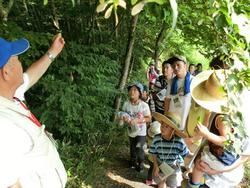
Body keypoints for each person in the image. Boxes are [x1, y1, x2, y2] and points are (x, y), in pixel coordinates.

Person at [0, 34, 67, 188]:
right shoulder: (2, 124)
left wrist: (53, 51)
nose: (21, 64)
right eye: (17, 60)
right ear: (6, 72)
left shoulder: (10, 95)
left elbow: (31, 76)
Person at [188, 70, 250, 188]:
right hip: (223, 159)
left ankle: (193, 185)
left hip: (223, 165)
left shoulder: (222, 118)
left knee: (199, 164)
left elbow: (226, 140)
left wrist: (206, 134)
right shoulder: (228, 113)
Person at [149, 112, 189, 188]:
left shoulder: (179, 141)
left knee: (172, 185)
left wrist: (187, 169)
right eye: (162, 125)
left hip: (174, 166)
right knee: (161, 184)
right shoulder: (157, 138)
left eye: (166, 126)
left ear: (173, 130)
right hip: (160, 164)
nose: (163, 128)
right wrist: (155, 166)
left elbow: (186, 154)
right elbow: (153, 152)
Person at [121, 82, 152, 172]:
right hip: (131, 130)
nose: (132, 92)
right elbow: (123, 113)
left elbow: (149, 118)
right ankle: (133, 161)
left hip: (141, 132)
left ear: (140, 93)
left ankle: (141, 162)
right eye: (130, 90)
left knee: (139, 147)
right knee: (132, 147)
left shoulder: (144, 105)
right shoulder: (126, 104)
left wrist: (138, 120)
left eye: (135, 90)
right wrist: (124, 117)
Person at [164, 55, 193, 131]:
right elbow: (167, 100)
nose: (175, 68)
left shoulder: (193, 81)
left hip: (186, 120)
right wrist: (165, 118)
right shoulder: (171, 82)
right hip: (172, 119)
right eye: (173, 66)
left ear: (185, 66)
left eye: (178, 65)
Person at [145, 120, 161, 185]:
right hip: (156, 159)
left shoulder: (149, 138)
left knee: (151, 169)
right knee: (156, 170)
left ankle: (149, 180)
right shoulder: (158, 141)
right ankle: (156, 180)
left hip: (150, 158)